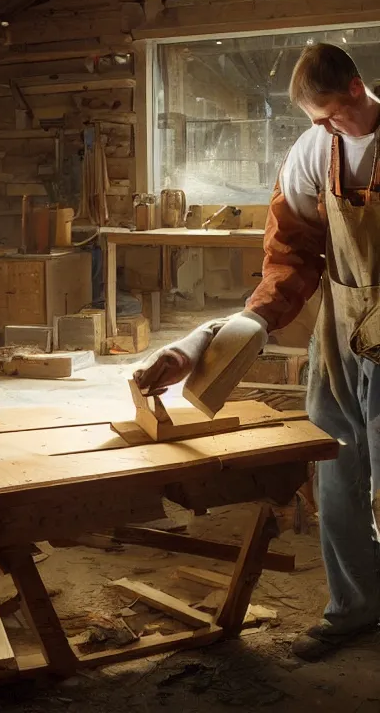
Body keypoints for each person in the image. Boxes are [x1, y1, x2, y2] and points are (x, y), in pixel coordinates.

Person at [135, 42, 380, 661]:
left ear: (356, 89)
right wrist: (208, 344)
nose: (323, 129)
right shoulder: (310, 152)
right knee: (335, 476)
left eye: (329, 115)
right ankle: (354, 608)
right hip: (342, 335)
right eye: (314, 121)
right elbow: (290, 257)